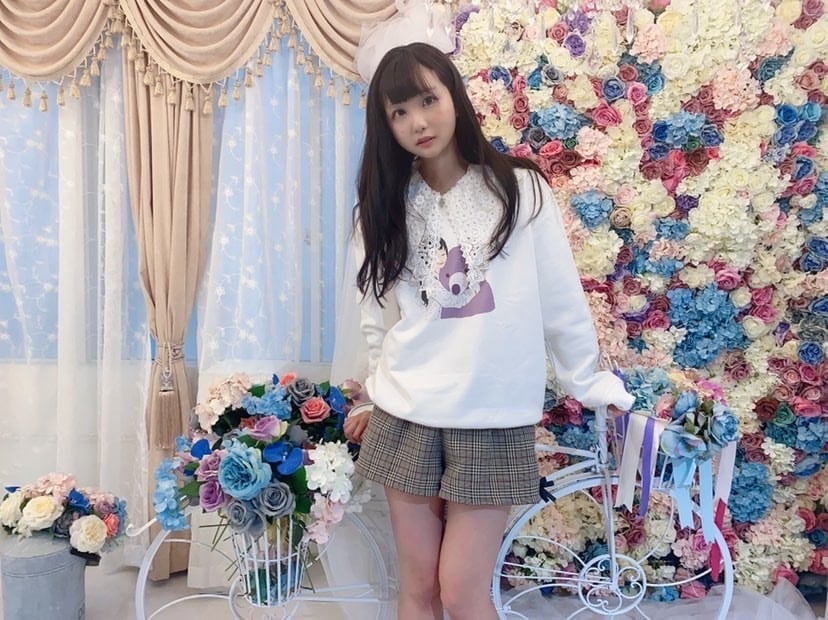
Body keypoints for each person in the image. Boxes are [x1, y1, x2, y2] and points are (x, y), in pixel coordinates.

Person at [343, 42, 634, 620]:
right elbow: (378, 316)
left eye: (428, 100)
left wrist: (588, 382)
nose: (418, 122)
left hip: (492, 416)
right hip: (406, 411)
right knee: (417, 588)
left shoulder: (519, 190)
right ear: (385, 125)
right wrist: (375, 393)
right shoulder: (382, 208)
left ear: (454, 96)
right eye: (399, 112)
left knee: (462, 591)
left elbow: (560, 300)